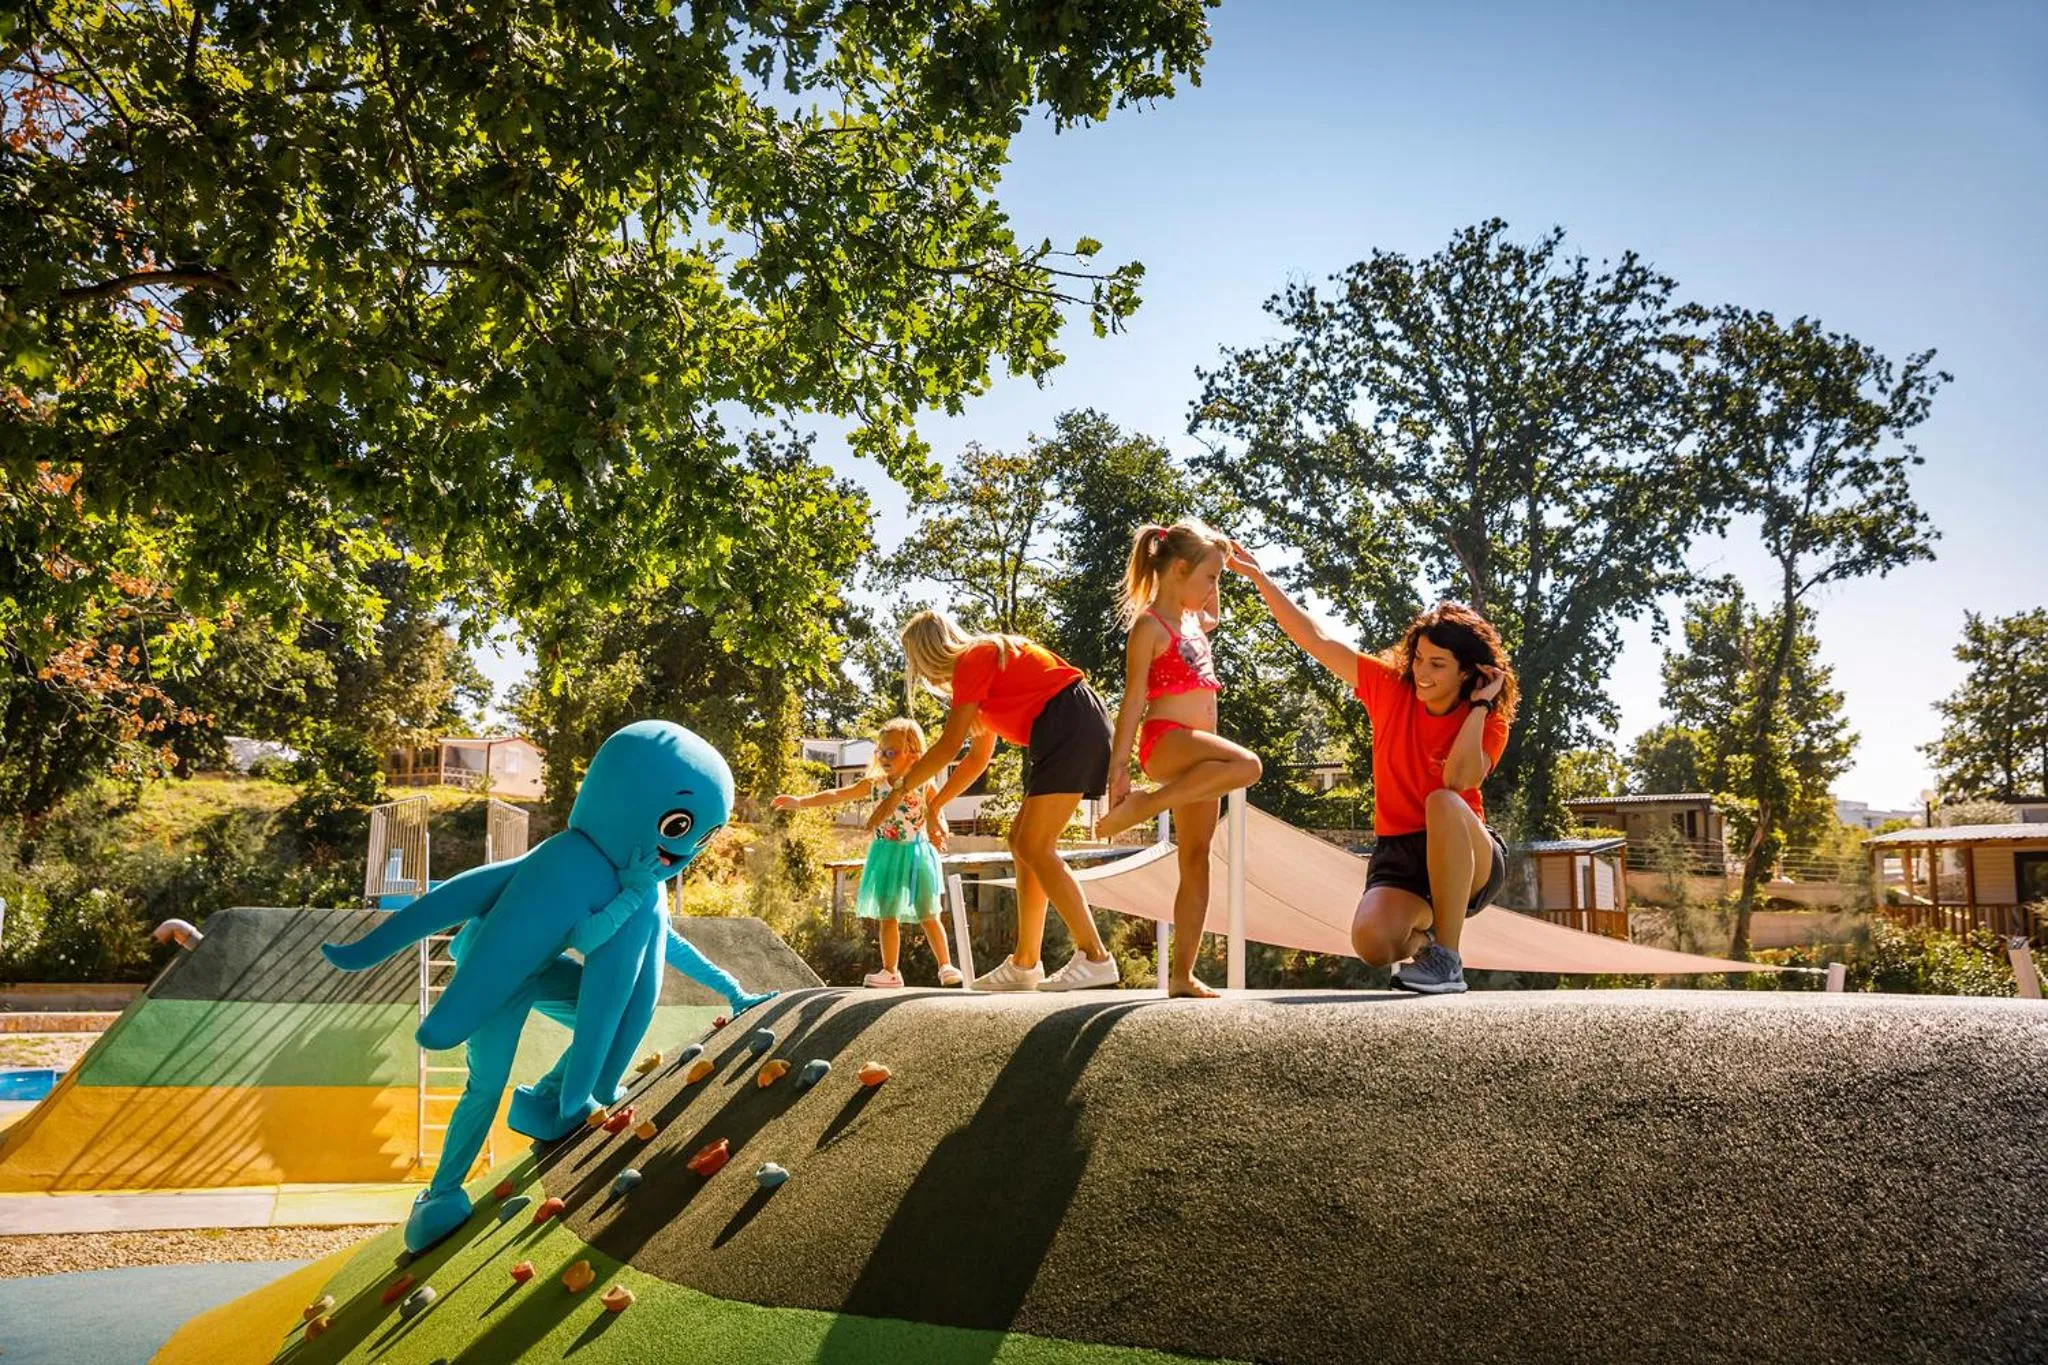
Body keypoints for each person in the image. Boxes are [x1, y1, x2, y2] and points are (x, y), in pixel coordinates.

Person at [1228, 543, 1515, 995]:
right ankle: (1428, 947)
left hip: (1467, 851)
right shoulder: (1388, 687)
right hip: (1399, 851)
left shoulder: (1485, 717)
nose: (1422, 672)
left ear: (1467, 673)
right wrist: (1262, 580)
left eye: (1438, 665)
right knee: (1373, 942)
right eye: (1418, 658)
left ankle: (1449, 962)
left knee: (1442, 800)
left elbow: (1460, 781)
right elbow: (1316, 640)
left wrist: (1479, 706)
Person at [871, 609, 1120, 992]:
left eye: (916, 664)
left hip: (1069, 723)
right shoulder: (977, 678)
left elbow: (948, 745)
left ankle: (1095, 956)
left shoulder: (976, 658)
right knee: (1022, 841)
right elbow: (975, 758)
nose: (919, 674)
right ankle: (1025, 963)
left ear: (929, 653)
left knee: (1036, 844)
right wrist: (935, 807)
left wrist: (900, 792)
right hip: (1061, 729)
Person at [1103, 519, 1262, 997]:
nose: (1215, 588)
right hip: (1167, 742)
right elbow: (1133, 701)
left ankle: (1181, 976)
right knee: (1249, 766)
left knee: (1196, 858)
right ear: (1177, 570)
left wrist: (1222, 559)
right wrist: (1119, 769)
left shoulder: (1194, 621)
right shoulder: (1150, 626)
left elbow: (1211, 609)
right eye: (1209, 578)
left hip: (1199, 759)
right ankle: (1147, 806)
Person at [772, 718, 962, 988]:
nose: (884, 757)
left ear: (913, 753)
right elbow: (838, 793)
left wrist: (939, 830)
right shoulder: (876, 785)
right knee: (888, 916)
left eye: (891, 752)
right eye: (880, 751)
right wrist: (801, 802)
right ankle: (891, 971)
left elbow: (937, 811)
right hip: (886, 855)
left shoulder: (923, 784)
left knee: (928, 913)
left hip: (917, 853)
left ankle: (946, 966)